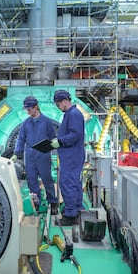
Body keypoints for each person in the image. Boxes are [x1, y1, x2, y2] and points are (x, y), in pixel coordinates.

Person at [11, 96, 59, 215]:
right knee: (31, 180)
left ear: (36, 107)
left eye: (29, 109)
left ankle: (53, 203)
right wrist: (16, 154)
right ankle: (36, 203)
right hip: (30, 155)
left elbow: (53, 139)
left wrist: (56, 151)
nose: (28, 112)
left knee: (47, 179)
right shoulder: (26, 123)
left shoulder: (46, 122)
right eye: (26, 109)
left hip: (43, 154)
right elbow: (21, 139)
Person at [51, 89, 85, 226]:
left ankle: (70, 215)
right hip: (72, 155)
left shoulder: (74, 114)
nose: (58, 108)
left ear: (64, 101)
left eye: (58, 105)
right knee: (74, 183)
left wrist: (60, 141)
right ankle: (76, 210)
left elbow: (75, 135)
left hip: (72, 156)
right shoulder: (70, 114)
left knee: (67, 183)